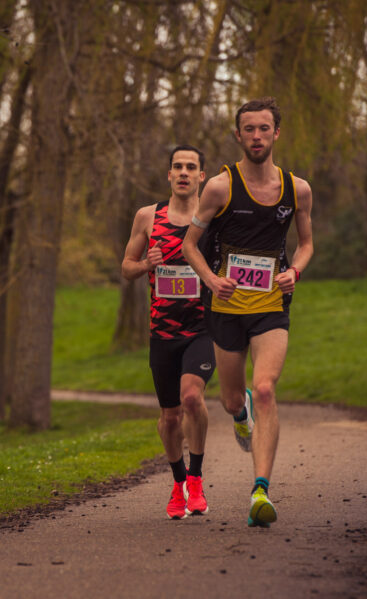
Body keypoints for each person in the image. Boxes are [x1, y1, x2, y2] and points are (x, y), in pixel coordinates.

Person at [182, 97, 314, 528]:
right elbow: (188, 245)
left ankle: (261, 489)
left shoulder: (298, 189)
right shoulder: (220, 187)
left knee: (267, 388)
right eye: (249, 130)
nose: (257, 136)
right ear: (237, 136)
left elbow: (307, 243)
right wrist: (211, 280)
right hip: (225, 305)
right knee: (232, 398)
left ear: (277, 133)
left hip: (270, 305)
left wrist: (295, 269)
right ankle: (241, 416)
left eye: (264, 128)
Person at [121, 145, 215, 520]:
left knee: (192, 398)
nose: (183, 172)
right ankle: (177, 484)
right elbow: (126, 267)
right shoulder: (148, 216)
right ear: (169, 174)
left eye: (191, 167)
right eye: (177, 166)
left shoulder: (211, 216)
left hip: (202, 327)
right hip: (162, 332)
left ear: (201, 176)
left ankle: (196, 478)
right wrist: (146, 263)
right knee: (170, 417)